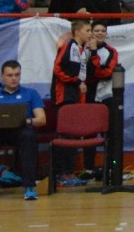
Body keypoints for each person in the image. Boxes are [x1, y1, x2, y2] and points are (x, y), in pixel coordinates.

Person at [0, 60, 47, 200]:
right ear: (2, 76)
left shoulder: (31, 93)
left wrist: (26, 120)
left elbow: (41, 119)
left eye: (17, 75)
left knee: (29, 136)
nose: (14, 78)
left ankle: (30, 186)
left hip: (20, 131)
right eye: (10, 75)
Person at [51, 19, 93, 185]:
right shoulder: (69, 46)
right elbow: (58, 68)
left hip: (76, 98)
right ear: (77, 32)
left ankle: (69, 172)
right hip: (64, 97)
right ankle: (61, 173)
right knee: (65, 135)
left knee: (74, 135)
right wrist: (76, 82)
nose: (90, 33)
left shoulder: (83, 50)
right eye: (87, 30)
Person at [84, 21, 118, 180]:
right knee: (89, 133)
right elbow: (84, 74)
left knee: (111, 134)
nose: (99, 33)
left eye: (103, 31)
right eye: (96, 30)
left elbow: (106, 73)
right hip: (89, 97)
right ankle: (88, 168)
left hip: (107, 97)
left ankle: (111, 167)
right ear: (91, 32)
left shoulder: (111, 51)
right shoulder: (81, 49)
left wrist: (94, 55)